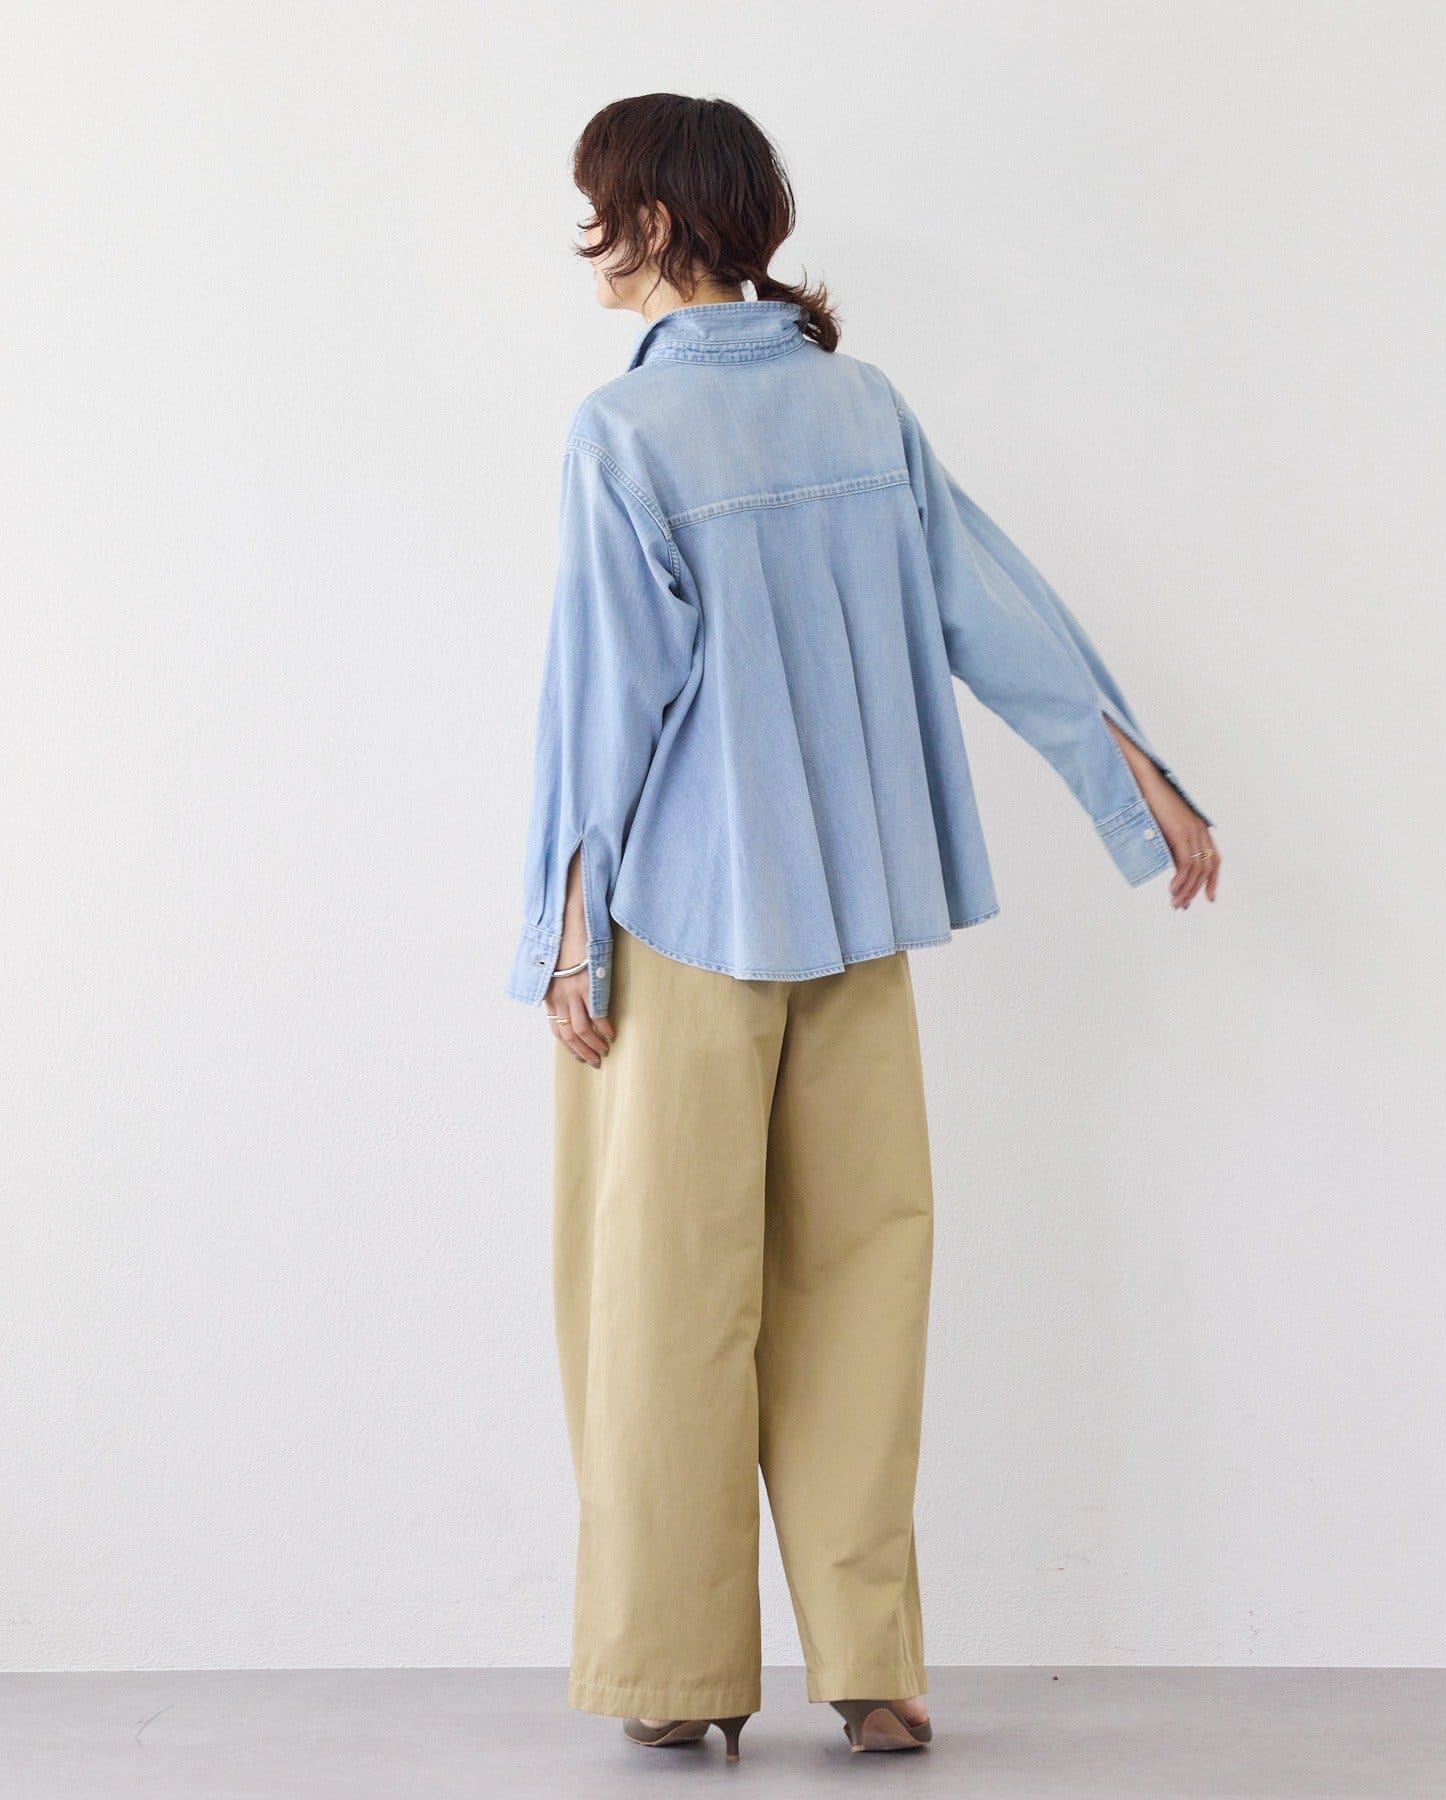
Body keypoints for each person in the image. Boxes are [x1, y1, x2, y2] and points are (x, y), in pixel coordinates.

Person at [508, 92, 1218, 1763]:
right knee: (859, 1283)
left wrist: (564, 937)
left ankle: (677, 1670)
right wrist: (1141, 785)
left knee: (662, 1295)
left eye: (599, 207)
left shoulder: (624, 435)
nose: (585, 238)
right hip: (858, 915)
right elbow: (992, 604)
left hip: (682, 928)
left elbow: (604, 711)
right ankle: (871, 1665)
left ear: (658, 221)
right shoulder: (863, 405)